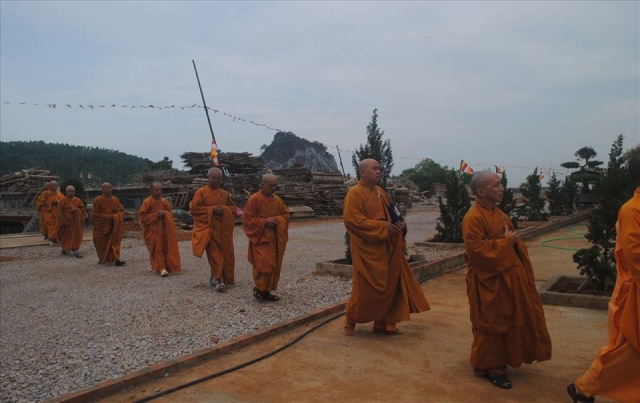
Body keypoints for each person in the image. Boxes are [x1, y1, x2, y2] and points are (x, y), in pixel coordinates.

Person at [462, 171, 552, 389]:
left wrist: (510, 240)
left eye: (501, 184)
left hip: (507, 279)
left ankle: (495, 361)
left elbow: (511, 238)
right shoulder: (473, 218)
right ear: (481, 191)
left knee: (507, 320)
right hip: (488, 280)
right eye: (496, 185)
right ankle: (492, 367)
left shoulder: (500, 214)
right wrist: (505, 242)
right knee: (492, 322)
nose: (502, 188)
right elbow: (476, 252)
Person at [567, 154, 640, 403]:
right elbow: (636, 256)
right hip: (635, 292)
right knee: (628, 349)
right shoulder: (632, 210)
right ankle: (584, 388)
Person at [342, 159, 430, 335]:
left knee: (391, 285)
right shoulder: (354, 194)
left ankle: (384, 324)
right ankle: (352, 317)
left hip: (388, 247)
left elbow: (394, 213)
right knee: (366, 288)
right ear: (363, 172)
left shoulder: (381, 192)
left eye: (379, 168)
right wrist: (382, 227)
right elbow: (352, 220)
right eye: (374, 168)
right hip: (368, 249)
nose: (379, 171)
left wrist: (401, 225)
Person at [242, 173, 289, 301]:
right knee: (263, 262)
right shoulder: (254, 199)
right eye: (270, 186)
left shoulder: (277, 200)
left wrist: (278, 220)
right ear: (262, 185)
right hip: (261, 238)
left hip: (275, 238)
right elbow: (247, 219)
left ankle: (266, 291)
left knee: (273, 264)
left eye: (275, 186)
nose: (273, 188)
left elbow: (285, 215)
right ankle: (259, 289)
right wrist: (264, 222)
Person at [190, 167, 236, 290]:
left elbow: (233, 209)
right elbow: (194, 210)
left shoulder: (225, 194)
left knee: (225, 254)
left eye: (218, 178)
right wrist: (211, 210)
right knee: (214, 254)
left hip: (223, 231)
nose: (215, 180)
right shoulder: (201, 192)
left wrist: (225, 210)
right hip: (208, 229)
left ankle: (217, 276)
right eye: (213, 178)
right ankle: (218, 279)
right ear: (208, 177)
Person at [139, 182, 182, 277]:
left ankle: (168, 266)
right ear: (151, 191)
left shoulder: (164, 201)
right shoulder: (147, 202)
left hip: (165, 229)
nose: (159, 192)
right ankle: (161, 268)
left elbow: (170, 214)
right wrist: (156, 215)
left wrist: (165, 213)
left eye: (160, 190)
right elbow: (142, 218)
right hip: (153, 231)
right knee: (157, 248)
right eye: (157, 190)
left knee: (167, 247)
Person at [92, 182, 126, 266]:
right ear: (102, 189)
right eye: (108, 188)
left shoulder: (115, 199)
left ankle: (116, 259)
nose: (110, 189)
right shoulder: (97, 200)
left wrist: (115, 217)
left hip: (113, 226)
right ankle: (103, 258)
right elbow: (95, 214)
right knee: (101, 244)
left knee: (115, 242)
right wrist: (108, 217)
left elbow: (121, 211)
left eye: (111, 187)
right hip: (102, 226)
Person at [56, 185, 87, 258]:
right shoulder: (62, 201)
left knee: (76, 236)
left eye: (72, 191)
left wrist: (76, 209)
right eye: (69, 191)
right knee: (65, 237)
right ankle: (65, 248)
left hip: (76, 223)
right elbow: (59, 213)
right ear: (66, 192)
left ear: (74, 192)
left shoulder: (78, 200)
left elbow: (83, 211)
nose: (71, 193)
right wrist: (63, 222)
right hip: (66, 224)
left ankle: (74, 249)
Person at [41, 180, 64, 246]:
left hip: (57, 213)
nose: (55, 187)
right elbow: (42, 203)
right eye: (54, 186)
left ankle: (57, 239)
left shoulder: (59, 194)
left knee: (58, 226)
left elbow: (63, 201)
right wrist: (51, 203)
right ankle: (52, 239)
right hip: (48, 212)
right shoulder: (45, 194)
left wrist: (57, 202)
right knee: (51, 226)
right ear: (50, 186)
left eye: (56, 186)